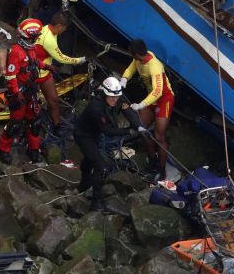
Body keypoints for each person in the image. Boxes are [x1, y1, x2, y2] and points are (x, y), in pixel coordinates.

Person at [74, 77, 142, 212]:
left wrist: (139, 126)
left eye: (116, 97)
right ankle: (96, 202)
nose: (114, 100)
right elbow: (107, 130)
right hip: (83, 135)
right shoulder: (95, 108)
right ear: (104, 93)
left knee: (89, 159)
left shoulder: (117, 97)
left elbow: (127, 110)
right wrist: (129, 131)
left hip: (94, 135)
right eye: (111, 97)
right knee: (101, 166)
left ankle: (84, 184)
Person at [118, 39, 174, 180]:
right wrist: (124, 78)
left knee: (159, 136)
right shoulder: (139, 59)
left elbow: (158, 91)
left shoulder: (154, 66)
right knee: (141, 129)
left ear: (137, 53)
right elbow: (131, 68)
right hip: (151, 99)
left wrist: (141, 104)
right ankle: (152, 162)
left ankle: (162, 170)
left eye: (132, 53)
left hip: (163, 99)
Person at [0, 19, 48, 164]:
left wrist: (45, 66)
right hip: (19, 92)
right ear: (30, 37)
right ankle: (3, 149)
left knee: (35, 122)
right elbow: (10, 75)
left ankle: (33, 149)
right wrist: (16, 92)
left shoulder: (31, 48)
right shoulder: (16, 52)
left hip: (31, 90)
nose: (37, 39)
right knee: (15, 123)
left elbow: (33, 62)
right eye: (35, 37)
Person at [37, 11, 86, 135]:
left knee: (53, 99)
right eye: (64, 28)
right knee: (34, 102)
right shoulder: (49, 39)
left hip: (45, 72)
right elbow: (61, 58)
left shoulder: (46, 29)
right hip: (35, 73)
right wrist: (79, 60)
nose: (64, 31)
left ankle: (57, 124)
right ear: (59, 26)